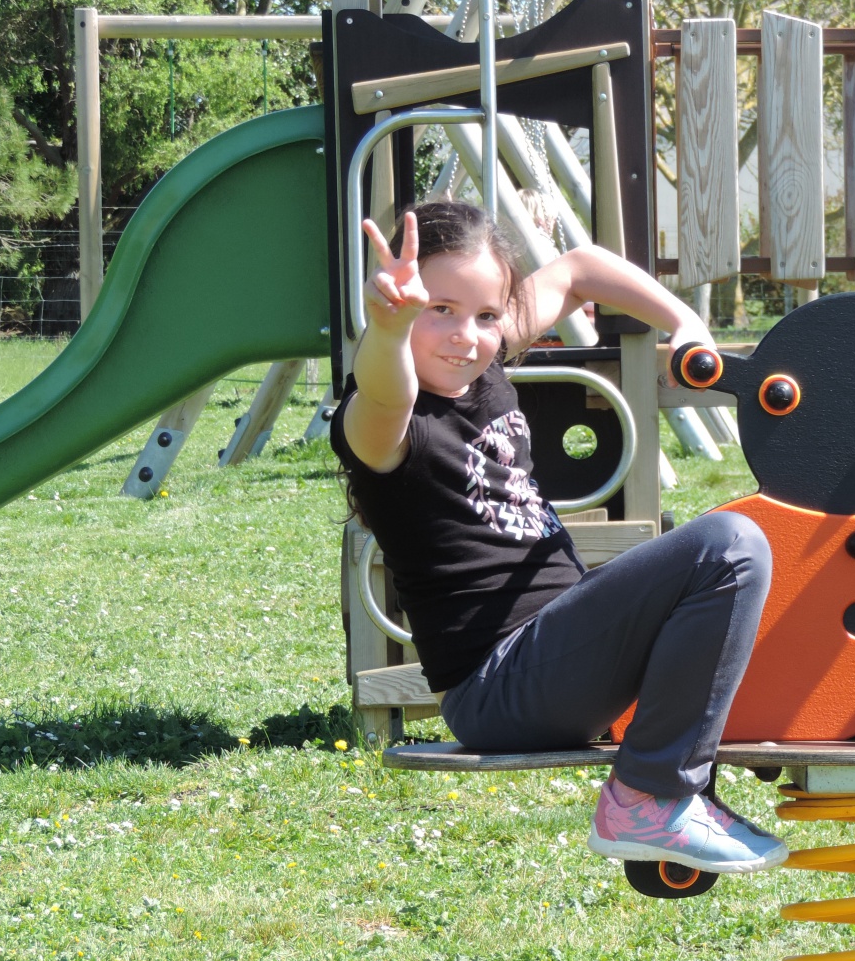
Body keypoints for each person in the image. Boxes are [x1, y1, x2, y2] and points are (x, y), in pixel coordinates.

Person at [331, 199, 785, 874]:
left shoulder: (475, 361)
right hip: (499, 687)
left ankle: (688, 781)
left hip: (555, 653)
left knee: (738, 566)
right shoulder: (383, 425)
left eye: (487, 315)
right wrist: (390, 328)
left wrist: (684, 321)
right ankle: (650, 799)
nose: (467, 336)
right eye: (440, 309)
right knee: (729, 547)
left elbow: (578, 270)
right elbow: (384, 391)